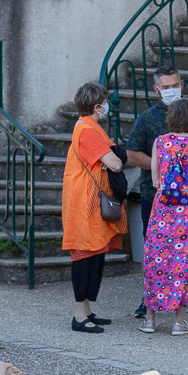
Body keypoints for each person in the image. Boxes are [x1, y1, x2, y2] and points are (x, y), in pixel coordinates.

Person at [128, 67, 188, 317]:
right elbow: (132, 154)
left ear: (182, 84)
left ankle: (187, 297)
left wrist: (184, 173)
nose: (171, 90)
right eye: (165, 87)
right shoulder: (146, 119)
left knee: (187, 252)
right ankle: (149, 300)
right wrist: (168, 171)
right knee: (155, 251)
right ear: (157, 90)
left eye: (174, 86)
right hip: (155, 196)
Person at [141, 97, 188, 336]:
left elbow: (156, 181)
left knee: (156, 261)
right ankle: (178, 323)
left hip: (163, 212)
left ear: (170, 118)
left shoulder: (160, 142)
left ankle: (149, 321)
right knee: (185, 263)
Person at [62, 82, 128, 333]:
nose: (107, 106)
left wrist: (113, 156)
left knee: (94, 256)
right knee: (85, 257)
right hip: (85, 204)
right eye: (105, 103)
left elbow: (114, 157)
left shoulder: (90, 127)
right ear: (97, 106)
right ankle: (79, 316)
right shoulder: (87, 130)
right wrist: (114, 157)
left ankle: (87, 311)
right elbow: (115, 162)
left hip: (89, 202)